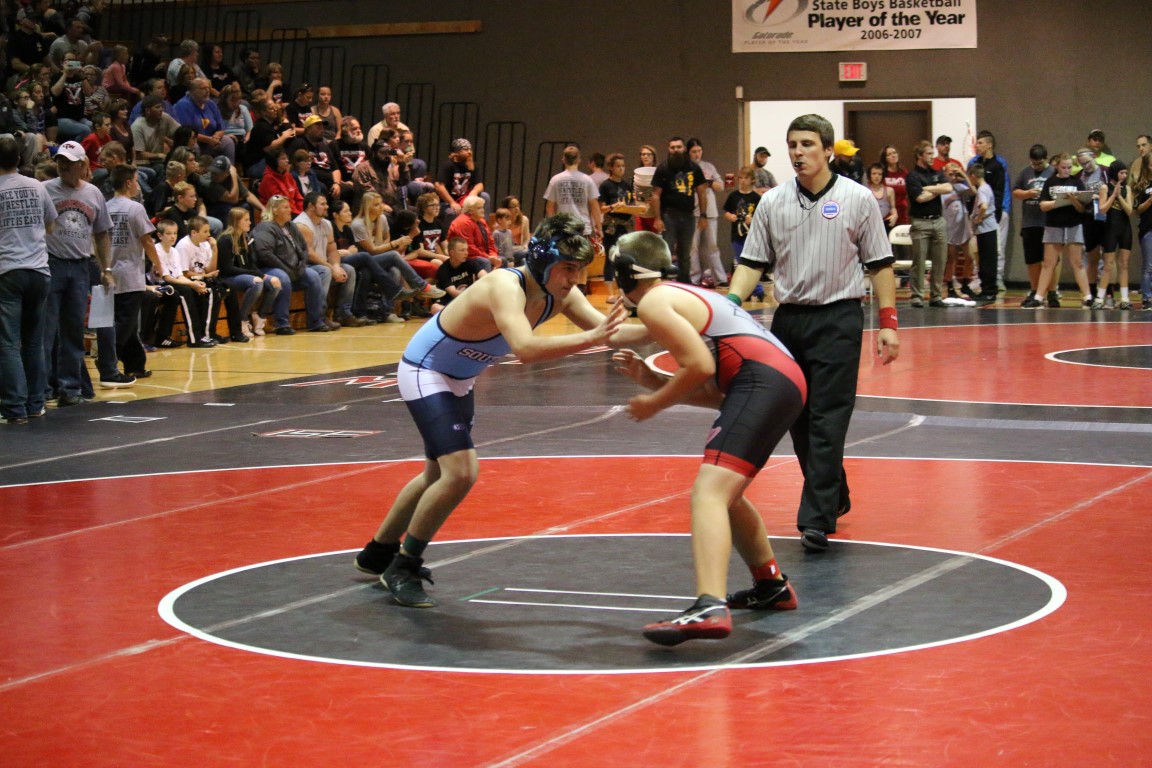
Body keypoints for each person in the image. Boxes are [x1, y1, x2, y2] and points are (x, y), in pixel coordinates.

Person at [351, 213, 634, 608]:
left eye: (579, 269)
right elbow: (526, 349)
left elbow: (614, 332)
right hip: (425, 370)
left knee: (436, 475)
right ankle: (404, 565)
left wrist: (680, 324)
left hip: (459, 378)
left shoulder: (563, 294)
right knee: (461, 472)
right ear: (543, 262)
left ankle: (377, 552)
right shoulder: (505, 285)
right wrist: (592, 338)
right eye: (568, 268)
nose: (575, 278)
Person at [609, 230, 805, 645]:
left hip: (762, 381)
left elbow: (699, 366)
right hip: (781, 381)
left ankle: (709, 605)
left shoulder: (655, 302)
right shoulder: (682, 297)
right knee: (727, 494)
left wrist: (654, 402)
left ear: (624, 274)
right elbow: (719, 395)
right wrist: (653, 379)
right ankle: (770, 584)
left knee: (709, 492)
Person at [726, 114, 900, 552]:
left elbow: (880, 264)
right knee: (797, 418)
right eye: (792, 145)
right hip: (789, 321)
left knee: (828, 418)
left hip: (839, 319)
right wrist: (729, 304)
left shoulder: (858, 199)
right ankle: (833, 492)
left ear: (827, 150)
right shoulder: (772, 202)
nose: (798, 152)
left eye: (806, 144)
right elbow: (752, 263)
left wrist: (888, 323)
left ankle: (816, 519)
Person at [43, 141, 114, 406]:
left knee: (74, 331)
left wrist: (106, 269)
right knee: (46, 331)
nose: (63, 166)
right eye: (60, 161)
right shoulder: (44, 189)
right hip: (51, 263)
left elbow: (102, 233)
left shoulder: (94, 193)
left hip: (81, 266)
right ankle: (42, 390)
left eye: (69, 162)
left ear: (83, 164)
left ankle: (70, 389)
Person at [0, 134, 57, 425]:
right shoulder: (37, 186)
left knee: (8, 343)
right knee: (34, 342)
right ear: (20, 159)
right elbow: (51, 225)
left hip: (8, 271)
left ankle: (14, 407)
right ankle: (36, 404)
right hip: (39, 270)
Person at [104, 165, 161, 379]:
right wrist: (158, 264)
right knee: (125, 324)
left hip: (109, 271)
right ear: (128, 183)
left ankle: (135, 365)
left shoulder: (105, 206)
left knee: (125, 322)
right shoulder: (135, 208)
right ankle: (107, 363)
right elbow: (146, 239)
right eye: (136, 181)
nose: (138, 185)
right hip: (129, 272)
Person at [251, 194, 333, 334]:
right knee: (283, 277)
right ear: (275, 210)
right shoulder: (265, 227)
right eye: (286, 207)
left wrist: (301, 265)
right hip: (270, 268)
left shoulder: (291, 226)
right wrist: (286, 269)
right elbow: (265, 254)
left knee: (313, 275)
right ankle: (281, 324)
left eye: (289, 207)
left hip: (293, 268)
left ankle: (316, 321)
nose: (290, 210)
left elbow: (304, 248)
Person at [293, 191, 358, 328]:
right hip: (304, 266)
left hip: (322, 264)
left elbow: (332, 250)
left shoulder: (327, 224)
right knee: (325, 271)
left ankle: (343, 313)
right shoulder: (302, 225)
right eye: (322, 204)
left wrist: (336, 266)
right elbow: (309, 254)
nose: (327, 207)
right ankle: (319, 317)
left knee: (349, 270)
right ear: (311, 206)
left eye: (326, 204)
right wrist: (331, 268)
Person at [649, 136, 708, 284]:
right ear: (669, 149)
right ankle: (665, 283)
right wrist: (657, 218)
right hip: (669, 215)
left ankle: (684, 283)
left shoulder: (694, 168)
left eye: (679, 147)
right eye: (673, 147)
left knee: (685, 254)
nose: (676, 150)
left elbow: (702, 192)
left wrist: (703, 215)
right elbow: (655, 195)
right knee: (667, 251)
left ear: (684, 149)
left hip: (688, 216)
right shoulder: (663, 168)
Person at [907, 140, 957, 307]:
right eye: (928, 154)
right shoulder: (913, 176)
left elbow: (948, 188)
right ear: (919, 156)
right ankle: (917, 296)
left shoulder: (936, 172)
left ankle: (936, 296)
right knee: (919, 261)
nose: (931, 157)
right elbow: (920, 198)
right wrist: (937, 189)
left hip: (938, 220)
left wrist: (929, 188)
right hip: (921, 222)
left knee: (940, 260)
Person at [1035, 154, 1089, 307]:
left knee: (1077, 262)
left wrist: (1073, 200)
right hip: (1053, 225)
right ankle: (1039, 296)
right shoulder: (1050, 182)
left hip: (1073, 224)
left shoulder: (1076, 182)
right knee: (1048, 263)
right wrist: (1058, 202)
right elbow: (1043, 205)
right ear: (1057, 166)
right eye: (1064, 167)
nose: (1067, 170)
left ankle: (1087, 296)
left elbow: (1082, 208)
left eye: (1069, 167)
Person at [217, 207, 279, 338]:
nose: (250, 222)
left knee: (275, 283)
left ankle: (260, 316)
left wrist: (261, 274)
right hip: (228, 277)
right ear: (236, 221)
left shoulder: (245, 238)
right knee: (256, 282)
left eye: (249, 219)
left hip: (244, 274)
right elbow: (227, 268)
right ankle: (242, 319)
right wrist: (256, 274)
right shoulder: (225, 240)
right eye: (246, 220)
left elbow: (251, 264)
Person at [966, 130, 1009, 293]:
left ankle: (993, 282)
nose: (977, 146)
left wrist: (983, 216)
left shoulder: (997, 167)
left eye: (980, 143)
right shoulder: (976, 163)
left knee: (992, 252)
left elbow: (989, 201)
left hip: (989, 216)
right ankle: (982, 281)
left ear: (989, 145)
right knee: (980, 253)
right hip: (979, 217)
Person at [1015, 145, 1056, 308]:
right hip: (1030, 222)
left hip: (1048, 222)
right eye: (1034, 163)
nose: (1037, 166)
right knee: (1032, 260)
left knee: (1050, 261)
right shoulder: (1025, 172)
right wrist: (1028, 193)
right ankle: (1034, 290)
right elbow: (1015, 191)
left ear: (1046, 159)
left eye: (1040, 163)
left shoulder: (1053, 172)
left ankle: (1052, 291)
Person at [686, 138, 727, 286]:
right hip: (693, 212)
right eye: (694, 151)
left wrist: (708, 182)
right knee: (693, 248)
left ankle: (720, 279)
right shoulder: (686, 168)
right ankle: (694, 278)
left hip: (710, 212)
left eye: (699, 151)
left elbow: (721, 186)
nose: (697, 154)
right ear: (688, 153)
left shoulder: (709, 167)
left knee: (712, 246)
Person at [1097, 160, 1134, 309]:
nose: (1124, 175)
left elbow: (1129, 210)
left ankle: (1124, 298)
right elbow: (1102, 209)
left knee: (1124, 264)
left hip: (1125, 229)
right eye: (1121, 173)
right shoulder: (1105, 187)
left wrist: (1119, 196)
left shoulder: (1127, 189)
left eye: (1126, 173)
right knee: (1108, 264)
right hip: (1110, 229)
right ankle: (1099, 298)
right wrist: (1113, 195)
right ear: (1114, 173)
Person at [967, 164, 999, 307]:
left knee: (987, 261)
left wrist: (979, 218)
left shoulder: (982, 190)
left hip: (986, 229)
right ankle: (987, 289)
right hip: (987, 229)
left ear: (974, 176)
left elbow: (984, 206)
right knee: (986, 259)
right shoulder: (986, 187)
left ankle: (989, 291)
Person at [446, 195, 500, 271]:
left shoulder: (481, 221)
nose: (483, 210)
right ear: (470, 211)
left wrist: (493, 255)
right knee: (485, 262)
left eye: (482, 207)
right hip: (465, 256)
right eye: (479, 208)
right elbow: (469, 248)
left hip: (481, 255)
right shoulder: (463, 222)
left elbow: (490, 242)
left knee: (501, 260)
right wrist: (488, 257)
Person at [721, 165, 760, 264]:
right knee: (740, 260)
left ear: (752, 179)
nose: (743, 180)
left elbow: (761, 217)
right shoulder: (733, 196)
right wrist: (730, 216)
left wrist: (752, 220)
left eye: (746, 178)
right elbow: (726, 212)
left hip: (752, 236)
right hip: (737, 235)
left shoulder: (756, 198)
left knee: (751, 261)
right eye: (740, 178)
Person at [1134, 151, 1152, 311]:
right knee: (1149, 265)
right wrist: (1150, 201)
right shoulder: (1142, 186)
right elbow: (1137, 209)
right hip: (1148, 228)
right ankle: (1147, 298)